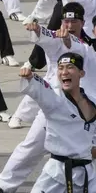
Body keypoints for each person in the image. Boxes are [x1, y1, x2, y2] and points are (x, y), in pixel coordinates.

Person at [18, 52, 96, 192]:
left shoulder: (93, 102)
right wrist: (30, 77)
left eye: (70, 67)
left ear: (81, 73)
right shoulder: (54, 99)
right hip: (55, 176)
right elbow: (42, 88)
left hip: (87, 176)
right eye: (60, 68)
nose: (64, 72)